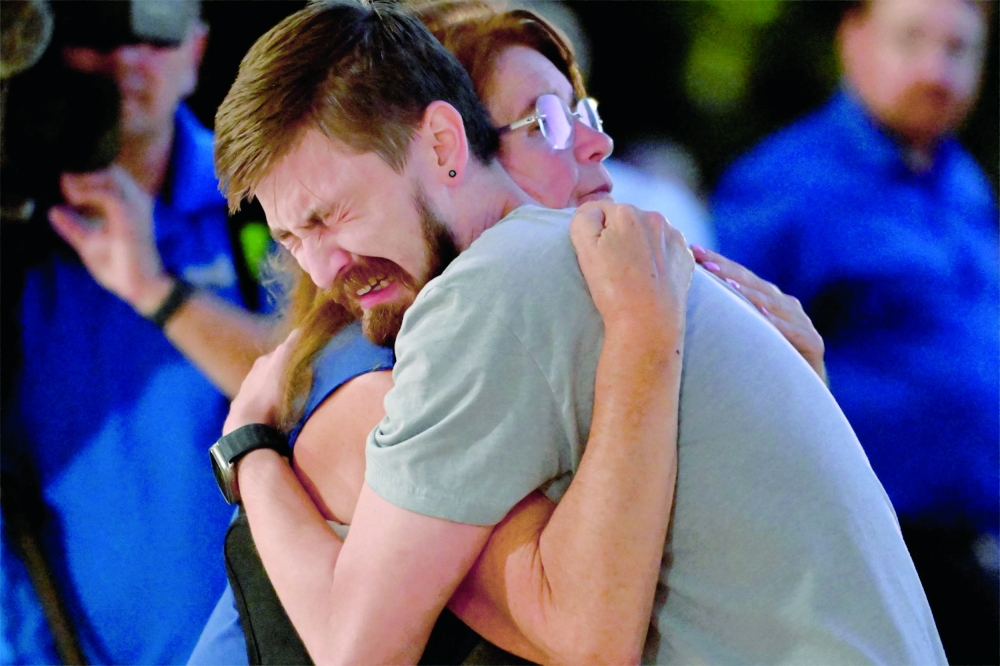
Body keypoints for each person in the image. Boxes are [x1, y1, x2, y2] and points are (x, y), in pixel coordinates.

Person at [215, 1, 945, 663]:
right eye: (292, 237)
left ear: (444, 144)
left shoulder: (491, 290)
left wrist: (248, 449)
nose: (323, 263)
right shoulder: (571, 279)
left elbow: (361, 654)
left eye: (331, 215)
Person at [711, 1, 998, 660]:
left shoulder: (961, 180)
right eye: (911, 40)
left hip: (968, 562)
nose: (937, 69)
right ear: (853, 39)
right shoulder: (781, 186)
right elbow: (726, 390)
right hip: (853, 570)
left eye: (959, 48)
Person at [0, 1, 277, 663]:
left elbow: (325, 387)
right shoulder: (17, 224)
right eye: (97, 36)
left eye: (155, 36)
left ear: (198, 53)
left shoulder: (265, 197)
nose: (125, 58)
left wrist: (156, 290)